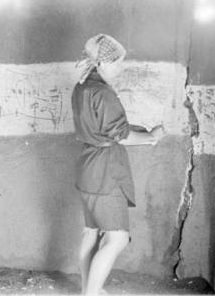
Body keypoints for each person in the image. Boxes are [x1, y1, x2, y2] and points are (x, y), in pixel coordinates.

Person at [71, 34, 165, 295]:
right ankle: (91, 293)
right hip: (106, 173)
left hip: (87, 168)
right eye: (117, 63)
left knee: (91, 231)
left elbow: (101, 129)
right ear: (101, 63)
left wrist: (139, 130)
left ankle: (87, 288)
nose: (120, 68)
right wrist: (151, 137)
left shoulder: (82, 87)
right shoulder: (103, 92)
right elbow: (121, 136)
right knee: (117, 238)